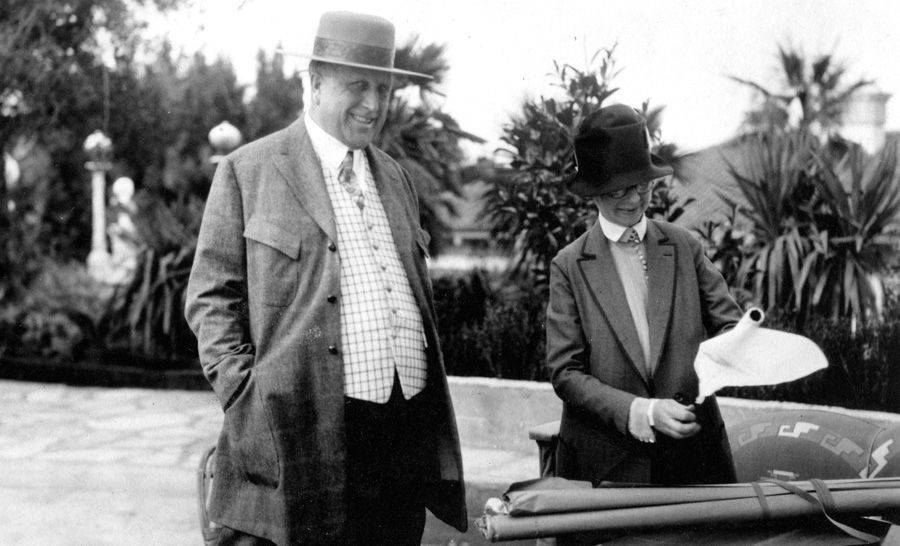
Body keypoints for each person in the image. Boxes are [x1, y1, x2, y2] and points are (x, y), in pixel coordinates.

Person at [185, 11, 466, 546]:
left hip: (403, 432)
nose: (374, 104)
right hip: (306, 431)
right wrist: (248, 396)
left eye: (383, 89)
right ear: (313, 82)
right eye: (357, 86)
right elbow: (209, 298)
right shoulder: (249, 171)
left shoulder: (394, 176)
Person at [546, 104, 742, 504]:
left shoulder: (684, 247)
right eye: (620, 190)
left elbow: (731, 329)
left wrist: (735, 350)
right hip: (606, 470)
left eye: (643, 185)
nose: (635, 199)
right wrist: (644, 411)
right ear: (595, 192)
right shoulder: (569, 265)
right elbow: (565, 372)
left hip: (694, 461)